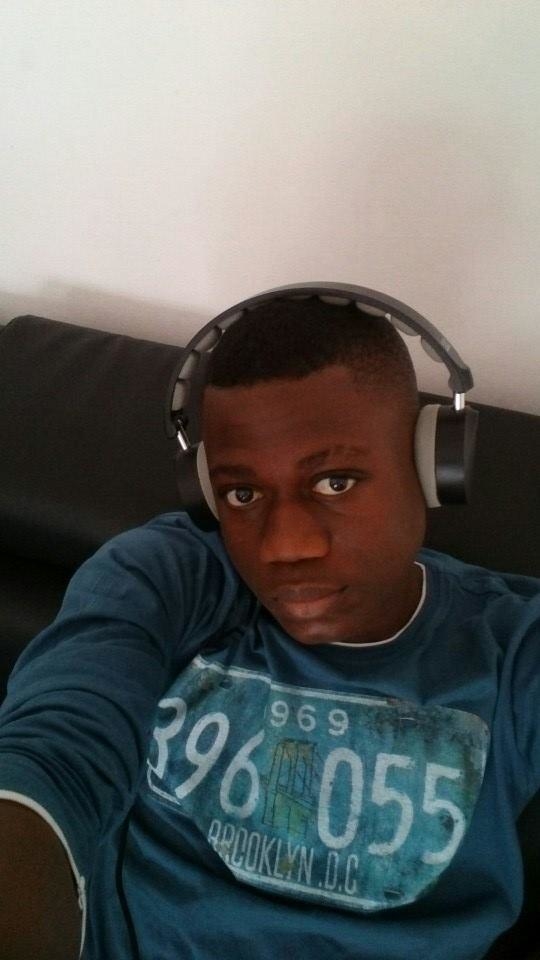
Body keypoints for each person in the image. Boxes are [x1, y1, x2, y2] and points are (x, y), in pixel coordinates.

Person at [0, 294, 539, 960]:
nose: (284, 547)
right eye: (242, 494)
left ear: (433, 465)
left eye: (336, 482)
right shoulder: (168, 576)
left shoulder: (515, 648)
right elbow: (58, 749)